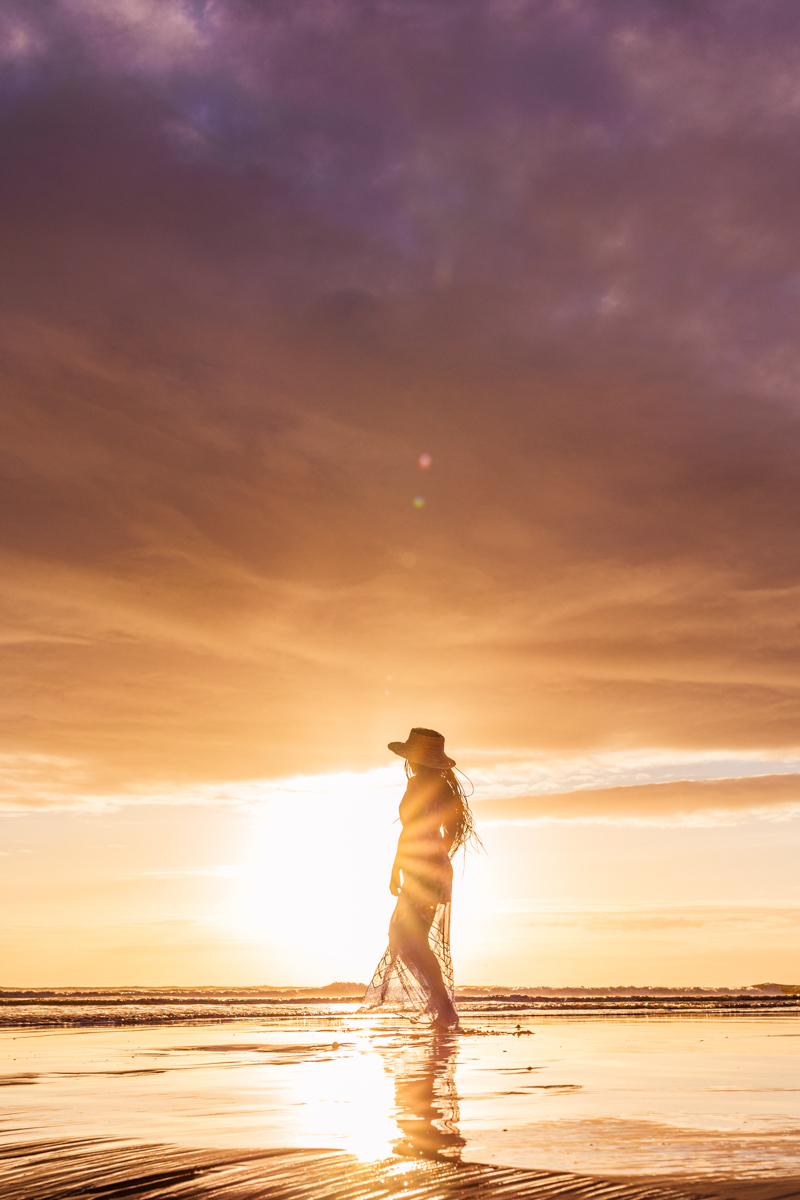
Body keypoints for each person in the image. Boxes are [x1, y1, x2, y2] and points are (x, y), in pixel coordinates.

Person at [362, 728, 479, 1030]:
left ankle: (442, 1005)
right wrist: (436, 856)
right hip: (433, 867)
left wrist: (397, 867)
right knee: (409, 937)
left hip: (422, 868)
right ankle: (440, 1004)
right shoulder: (443, 789)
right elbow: (447, 832)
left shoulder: (417, 787)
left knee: (406, 936)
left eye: (412, 757)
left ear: (417, 760)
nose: (410, 763)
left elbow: (409, 831)